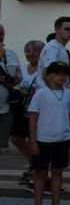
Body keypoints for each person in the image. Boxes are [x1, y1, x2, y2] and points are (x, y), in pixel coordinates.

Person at [26, 60, 70, 205]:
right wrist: (33, 141)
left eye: (64, 73)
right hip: (43, 140)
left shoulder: (68, 93)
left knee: (57, 172)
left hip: (62, 139)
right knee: (40, 173)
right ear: (48, 76)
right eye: (57, 73)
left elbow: (69, 114)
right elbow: (33, 118)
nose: (61, 76)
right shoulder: (41, 94)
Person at [11, 40, 43, 181]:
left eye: (34, 50)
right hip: (22, 111)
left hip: (37, 113)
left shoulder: (43, 71)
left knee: (34, 141)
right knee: (16, 138)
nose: (31, 54)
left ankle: (36, 170)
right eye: (28, 51)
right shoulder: (23, 68)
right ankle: (33, 165)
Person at [0, 24, 23, 156]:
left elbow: (19, 76)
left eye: (2, 34)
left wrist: (14, 79)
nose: (0, 37)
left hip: (6, 107)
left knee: (2, 147)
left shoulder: (11, 54)